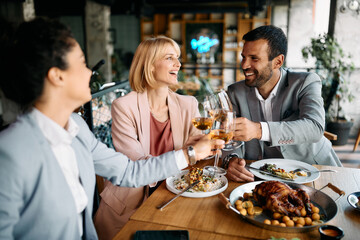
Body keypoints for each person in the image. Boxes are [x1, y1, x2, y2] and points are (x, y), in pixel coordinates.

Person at [0, 17, 224, 239]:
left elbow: (128, 171)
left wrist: (192, 152)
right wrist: (190, 152)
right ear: (57, 76)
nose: (90, 72)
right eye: (81, 63)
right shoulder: (9, 152)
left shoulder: (76, 128)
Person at [94, 36, 202, 239]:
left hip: (176, 196)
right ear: (150, 65)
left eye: (177, 58)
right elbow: (137, 167)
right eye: (170, 58)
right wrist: (189, 153)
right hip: (130, 203)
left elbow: (199, 154)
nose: (178, 64)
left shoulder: (189, 104)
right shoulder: (124, 107)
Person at [222, 25, 341, 182]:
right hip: (260, 177)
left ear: (278, 62)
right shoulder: (235, 92)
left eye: (254, 58)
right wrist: (230, 160)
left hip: (313, 171)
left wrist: (259, 130)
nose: (244, 65)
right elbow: (228, 139)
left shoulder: (305, 82)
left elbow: (314, 128)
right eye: (243, 57)